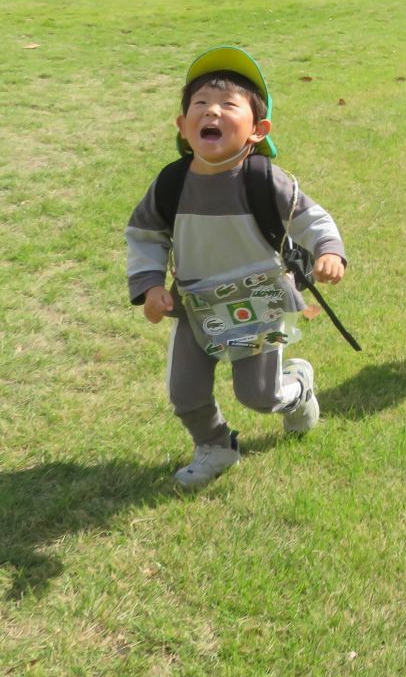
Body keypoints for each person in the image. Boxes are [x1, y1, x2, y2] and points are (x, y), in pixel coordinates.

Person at [126, 46, 347, 488]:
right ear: (183, 127)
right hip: (195, 307)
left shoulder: (265, 179)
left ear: (257, 130)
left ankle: (297, 388)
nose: (212, 111)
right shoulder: (172, 184)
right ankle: (215, 445)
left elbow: (311, 219)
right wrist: (150, 286)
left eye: (229, 105)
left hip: (256, 304)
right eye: (200, 105)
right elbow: (146, 235)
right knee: (185, 393)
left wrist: (328, 249)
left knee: (259, 395)